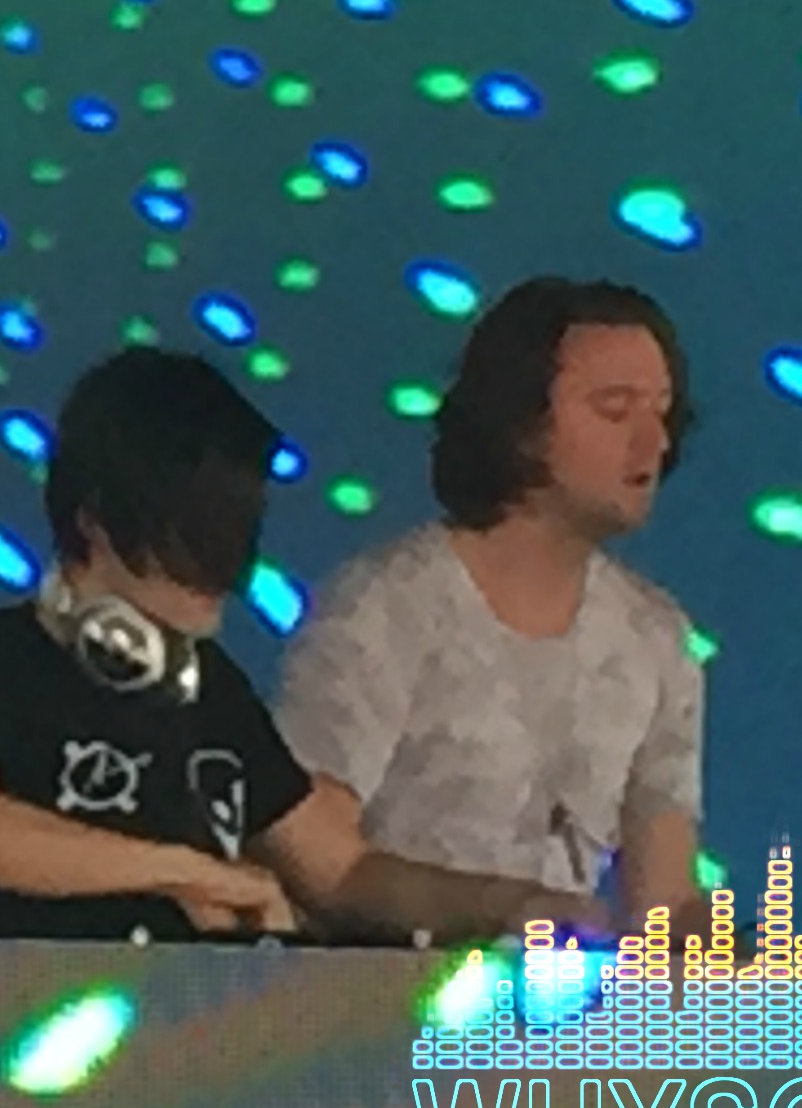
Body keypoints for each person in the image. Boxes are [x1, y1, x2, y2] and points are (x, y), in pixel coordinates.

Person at [0, 347, 606, 945]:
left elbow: (343, 873)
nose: (218, 577)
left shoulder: (211, 691)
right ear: (97, 523)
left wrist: (510, 903)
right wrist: (193, 874)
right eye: (192, 541)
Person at [276, 277, 705, 935]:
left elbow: (664, 907)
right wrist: (504, 908)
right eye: (615, 411)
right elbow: (315, 860)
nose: (654, 443)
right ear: (521, 426)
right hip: (378, 990)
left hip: (548, 999)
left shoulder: (656, 637)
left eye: (663, 414)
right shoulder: (385, 604)